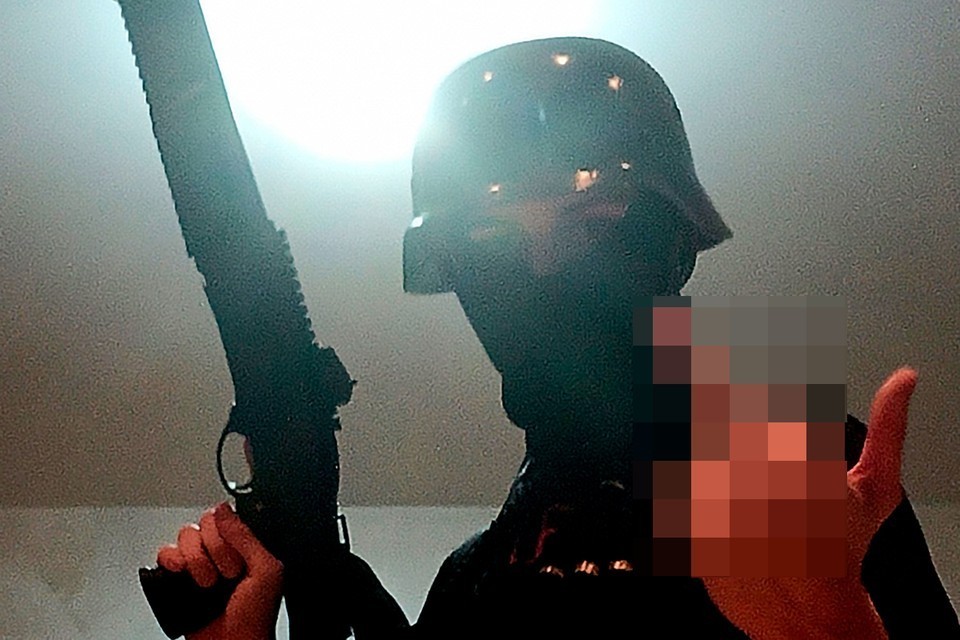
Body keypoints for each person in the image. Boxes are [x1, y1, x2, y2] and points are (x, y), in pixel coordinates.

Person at [157, 37, 959, 639]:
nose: (543, 271)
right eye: (495, 241)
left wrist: (838, 631)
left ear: (673, 244)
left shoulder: (792, 457)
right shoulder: (473, 579)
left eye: (595, 222)